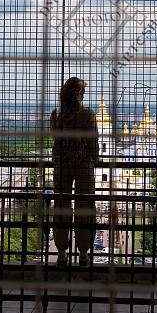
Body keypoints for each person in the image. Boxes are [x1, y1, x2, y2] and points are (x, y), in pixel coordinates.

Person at [50, 77, 99, 268]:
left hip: (61, 165)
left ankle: (62, 253)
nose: (83, 96)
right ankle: (84, 253)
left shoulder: (56, 114)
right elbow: (93, 141)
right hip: (83, 165)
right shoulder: (88, 114)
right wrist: (97, 159)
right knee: (84, 207)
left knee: (61, 207)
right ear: (78, 94)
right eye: (82, 92)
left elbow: (55, 137)